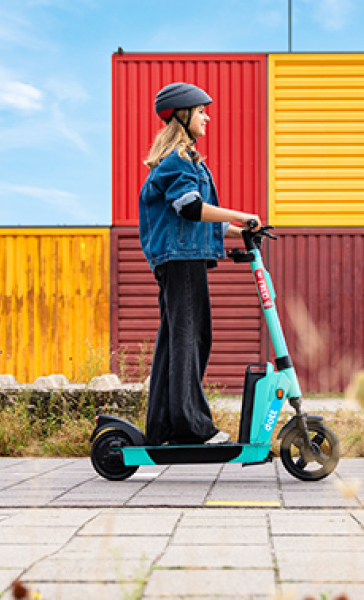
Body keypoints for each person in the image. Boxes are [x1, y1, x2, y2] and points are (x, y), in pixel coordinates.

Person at [138, 82, 261, 446]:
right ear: (184, 115)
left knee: (175, 343)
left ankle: (161, 429)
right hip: (181, 262)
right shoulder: (180, 161)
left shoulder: (181, 160)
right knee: (191, 341)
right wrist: (242, 212)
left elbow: (190, 219)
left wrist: (239, 230)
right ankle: (192, 427)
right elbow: (189, 207)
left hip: (180, 259)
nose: (207, 117)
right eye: (202, 111)